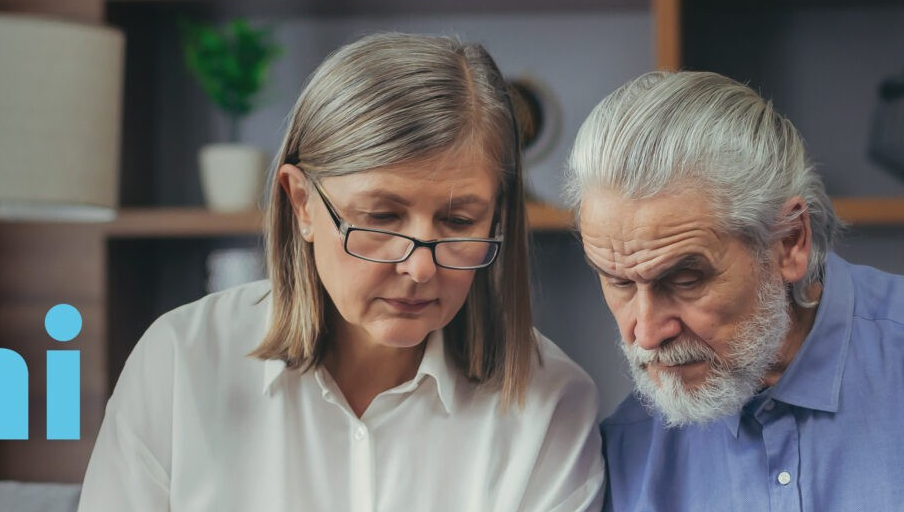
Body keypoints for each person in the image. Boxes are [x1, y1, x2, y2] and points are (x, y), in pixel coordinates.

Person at [79, 33, 604, 511]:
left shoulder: (551, 404)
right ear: (301, 203)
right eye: (381, 217)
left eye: (459, 221)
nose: (421, 266)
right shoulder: (181, 362)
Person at [565, 70, 904, 512]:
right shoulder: (622, 454)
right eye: (619, 281)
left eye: (686, 279)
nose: (647, 334)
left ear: (789, 242)